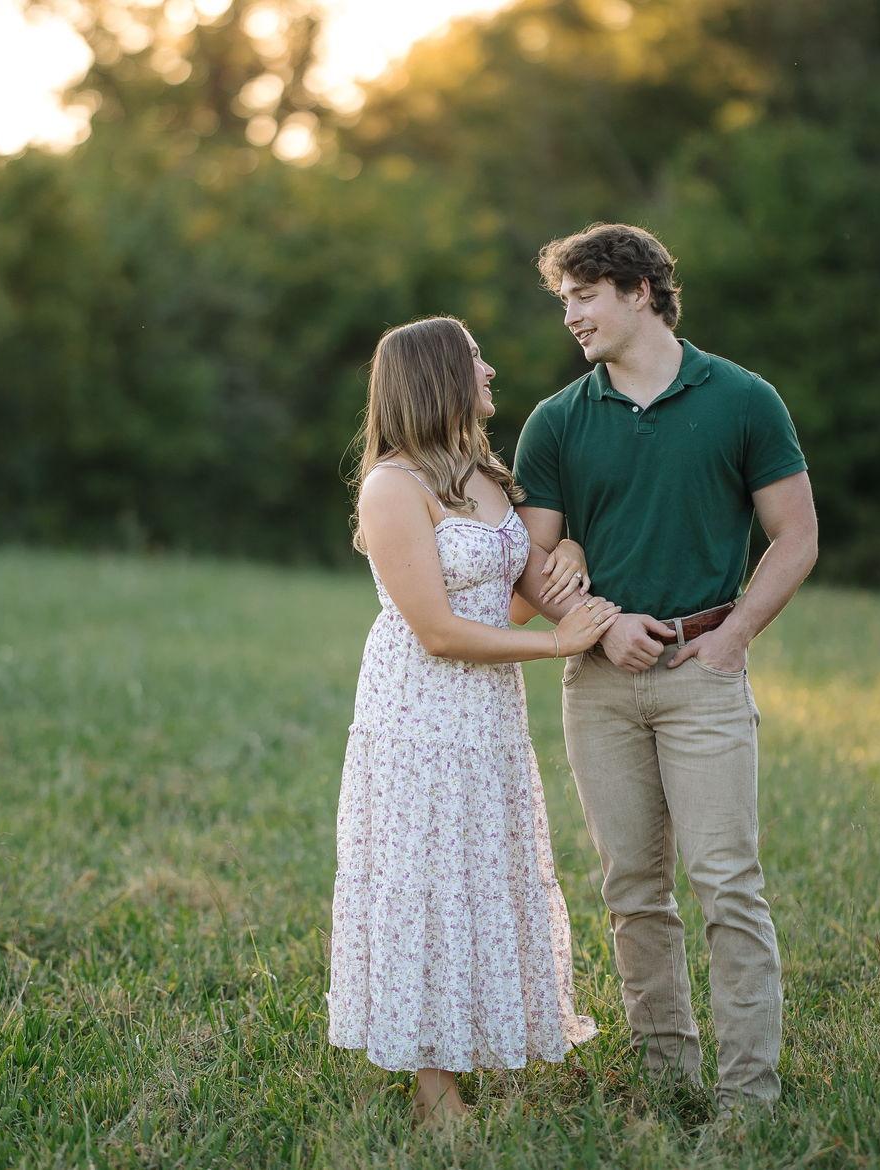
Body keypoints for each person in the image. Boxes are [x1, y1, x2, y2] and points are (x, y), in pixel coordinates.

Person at [511, 223, 819, 1118]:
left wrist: (731, 642)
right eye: (565, 299)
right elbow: (529, 562)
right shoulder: (558, 419)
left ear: (640, 290)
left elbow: (795, 536)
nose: (570, 315)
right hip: (599, 687)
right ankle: (666, 1081)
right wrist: (593, 624)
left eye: (583, 294)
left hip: (704, 674)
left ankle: (748, 1098)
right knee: (634, 890)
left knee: (726, 881)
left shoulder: (742, 399)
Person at [327, 315, 620, 1127]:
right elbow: (438, 629)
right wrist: (564, 642)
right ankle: (434, 1092)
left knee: (478, 873)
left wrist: (568, 564)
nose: (490, 369)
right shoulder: (392, 487)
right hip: (417, 716)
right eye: (475, 359)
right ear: (441, 378)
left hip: (486, 715)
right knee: (425, 881)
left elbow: (506, 602)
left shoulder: (484, 475)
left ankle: (471, 1039)